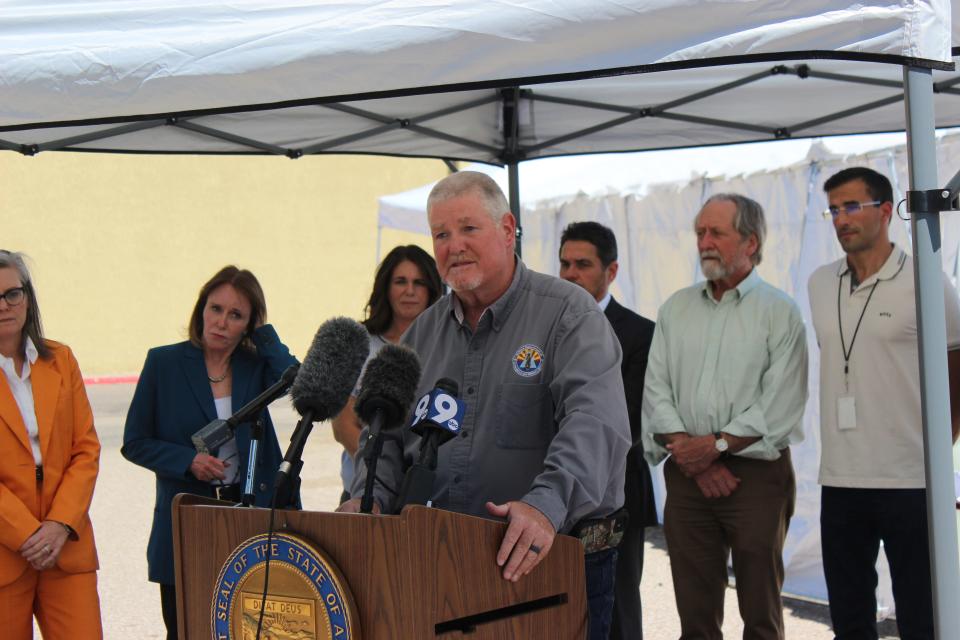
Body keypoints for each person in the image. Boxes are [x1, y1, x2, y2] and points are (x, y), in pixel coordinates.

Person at [340, 171, 631, 640]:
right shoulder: (420, 335)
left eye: (468, 228)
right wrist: (368, 494)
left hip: (543, 565)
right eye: (441, 234)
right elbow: (386, 434)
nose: (453, 245)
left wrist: (544, 506)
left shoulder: (568, 314)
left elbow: (595, 423)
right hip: (436, 566)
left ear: (507, 228)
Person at [641, 194, 808, 640]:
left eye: (717, 233)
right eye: (700, 233)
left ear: (751, 242)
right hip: (688, 474)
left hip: (755, 477)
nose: (705, 242)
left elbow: (780, 402)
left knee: (761, 612)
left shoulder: (779, 312)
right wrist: (694, 456)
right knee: (694, 612)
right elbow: (656, 389)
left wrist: (714, 448)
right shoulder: (675, 308)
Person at [808, 167, 960, 640]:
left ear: (887, 210)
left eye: (852, 206)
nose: (840, 219)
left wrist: (939, 445)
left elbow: (958, 364)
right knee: (849, 619)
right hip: (840, 478)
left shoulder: (925, 280)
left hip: (911, 479)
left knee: (922, 617)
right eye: (833, 209)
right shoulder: (819, 282)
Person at [122, 265, 297, 640]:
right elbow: (135, 441)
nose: (221, 322)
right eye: (215, 309)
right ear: (201, 308)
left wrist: (265, 335)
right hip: (186, 517)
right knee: (186, 630)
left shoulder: (255, 367)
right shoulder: (163, 363)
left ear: (248, 325)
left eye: (236, 315)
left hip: (247, 517)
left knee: (248, 629)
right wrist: (188, 461)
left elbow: (293, 379)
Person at [558, 221, 656, 640]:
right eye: (564, 264)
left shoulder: (639, 333)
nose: (570, 274)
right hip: (551, 488)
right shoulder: (547, 326)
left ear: (610, 271)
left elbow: (629, 420)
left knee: (617, 610)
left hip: (615, 495)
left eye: (582, 264)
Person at [0, 250, 103, 639]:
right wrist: (27, 534)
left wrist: (60, 524)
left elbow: (86, 449)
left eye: (13, 293)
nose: (5, 306)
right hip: (6, 550)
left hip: (67, 545)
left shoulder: (61, 360)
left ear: (27, 297)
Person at [330, 244, 443, 504]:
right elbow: (344, 424)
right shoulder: (359, 343)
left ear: (432, 289)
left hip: (425, 498)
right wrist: (380, 476)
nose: (410, 291)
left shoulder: (444, 345)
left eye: (419, 282)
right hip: (363, 494)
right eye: (400, 281)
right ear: (385, 287)